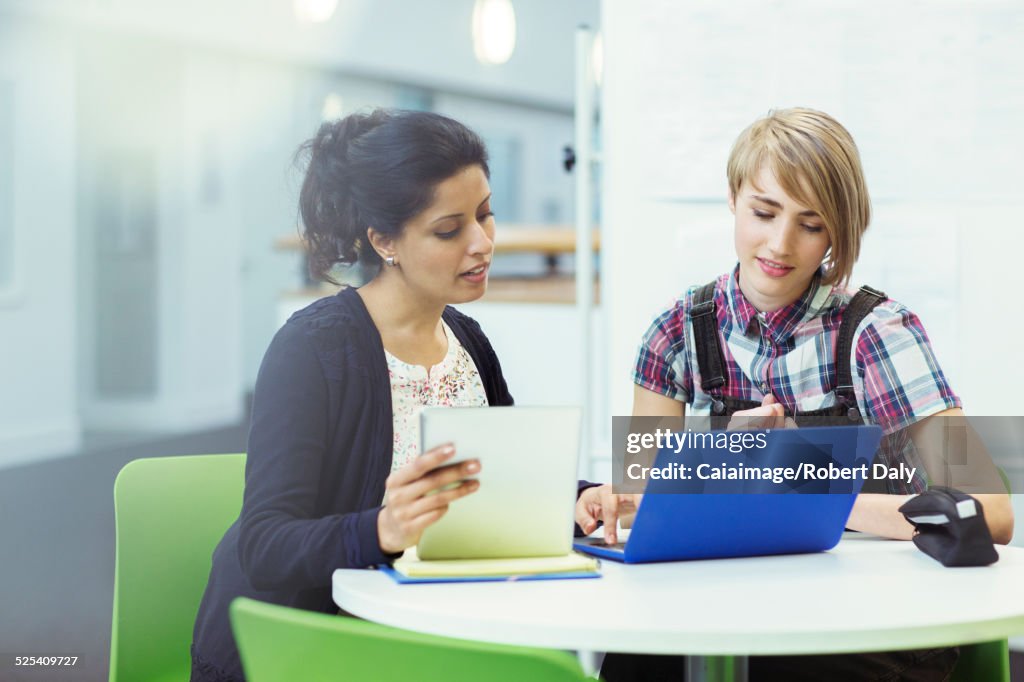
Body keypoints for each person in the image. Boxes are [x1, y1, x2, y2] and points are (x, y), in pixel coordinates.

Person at [576, 107, 1013, 681]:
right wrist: (707, 473)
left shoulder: (878, 334)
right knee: (636, 665)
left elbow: (993, 514)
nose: (779, 244)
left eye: (810, 225)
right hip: (722, 610)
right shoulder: (674, 335)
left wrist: (800, 487)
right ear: (733, 196)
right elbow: (644, 500)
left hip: (869, 626)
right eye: (763, 211)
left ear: (837, 233)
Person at [190, 109, 515, 682]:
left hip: (437, 625)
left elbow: (506, 481)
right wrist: (382, 531)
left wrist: (576, 500)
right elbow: (264, 546)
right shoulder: (311, 351)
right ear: (384, 240)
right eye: (449, 229)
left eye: (485, 215)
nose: (481, 243)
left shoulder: (467, 339)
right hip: (314, 646)